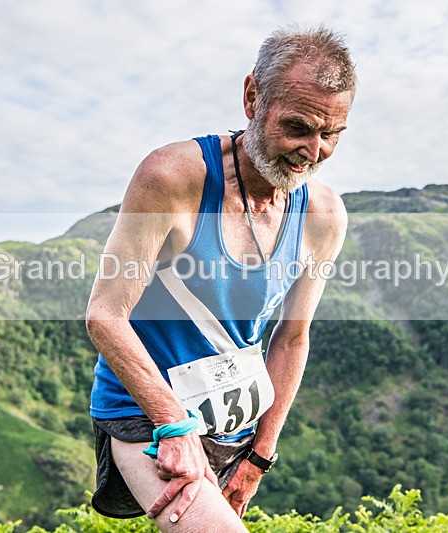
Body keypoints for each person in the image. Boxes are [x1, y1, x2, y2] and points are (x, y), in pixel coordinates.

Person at [86, 25, 357, 531]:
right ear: (253, 98)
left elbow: (293, 337)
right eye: (297, 127)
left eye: (331, 134)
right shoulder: (172, 179)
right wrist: (174, 424)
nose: (312, 151)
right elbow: (105, 315)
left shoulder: (323, 215)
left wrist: (260, 456)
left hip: (237, 427)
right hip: (149, 414)